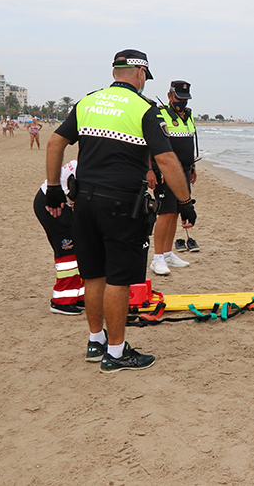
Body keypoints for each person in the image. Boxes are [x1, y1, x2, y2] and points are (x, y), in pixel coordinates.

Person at [45, 49, 197, 373]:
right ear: (140, 74)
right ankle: (115, 354)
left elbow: (55, 143)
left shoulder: (87, 102)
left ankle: (95, 341)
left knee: (94, 273)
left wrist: (54, 189)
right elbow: (167, 160)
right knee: (119, 277)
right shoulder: (144, 109)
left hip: (82, 201)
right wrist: (185, 203)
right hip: (121, 205)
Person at [148, 80, 198, 275]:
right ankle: (157, 257)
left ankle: (168, 253)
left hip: (184, 170)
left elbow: (189, 141)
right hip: (165, 171)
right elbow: (149, 145)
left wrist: (192, 166)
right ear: (169, 96)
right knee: (165, 213)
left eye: (185, 99)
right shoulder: (160, 114)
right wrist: (149, 170)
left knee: (177, 212)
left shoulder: (189, 115)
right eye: (179, 98)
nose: (182, 102)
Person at [34, 160, 85, 314]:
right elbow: (77, 200)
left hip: (62, 203)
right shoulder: (91, 168)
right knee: (67, 252)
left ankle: (78, 296)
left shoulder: (91, 160)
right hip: (51, 205)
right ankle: (61, 301)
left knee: (78, 248)